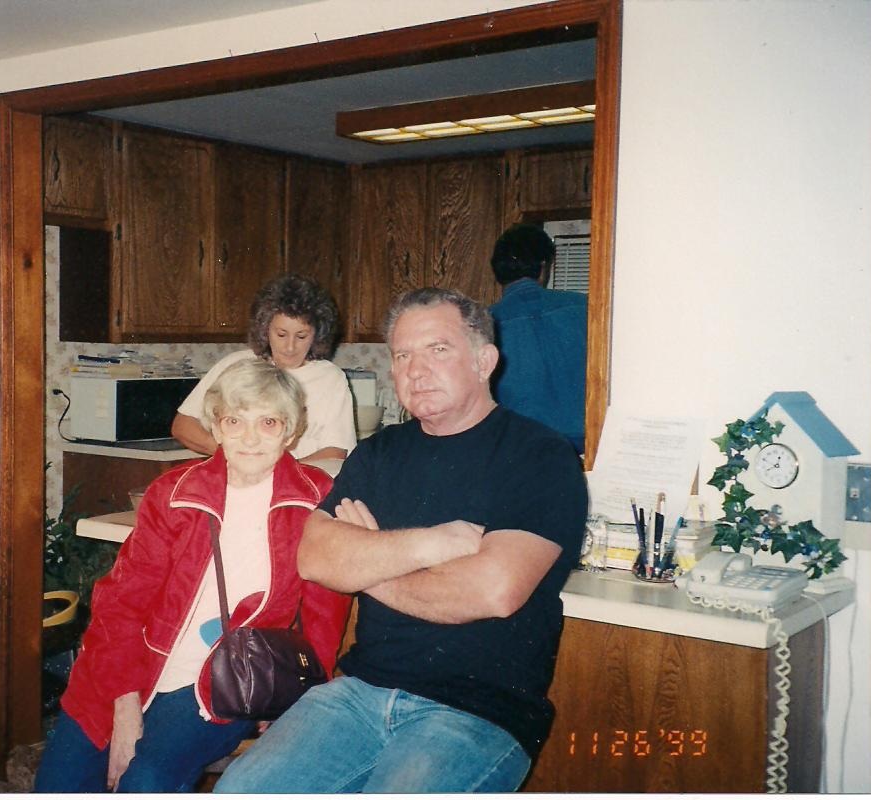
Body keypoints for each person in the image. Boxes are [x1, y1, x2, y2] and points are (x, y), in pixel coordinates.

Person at [215, 287, 588, 794]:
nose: (416, 370)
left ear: (484, 361)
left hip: (476, 713)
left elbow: (492, 591)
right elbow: (315, 556)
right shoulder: (378, 453)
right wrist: (430, 545)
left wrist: (367, 563)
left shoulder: (540, 456)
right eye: (402, 355)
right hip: (357, 694)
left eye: (438, 349)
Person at [34, 358, 351, 793]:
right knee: (59, 785)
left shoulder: (315, 499)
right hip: (129, 662)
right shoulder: (175, 493)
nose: (250, 438)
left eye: (268, 422)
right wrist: (124, 707)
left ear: (291, 431)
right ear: (216, 427)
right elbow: (120, 602)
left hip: (224, 679)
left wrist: (295, 699)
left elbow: (324, 618)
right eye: (235, 421)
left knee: (145, 779)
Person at [172, 274, 356, 462]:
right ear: (265, 329)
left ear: (317, 335)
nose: (290, 347)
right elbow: (183, 426)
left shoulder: (330, 378)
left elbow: (336, 452)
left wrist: (278, 472)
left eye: (301, 336)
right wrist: (237, 455)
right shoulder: (236, 365)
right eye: (281, 334)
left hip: (301, 478)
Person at [488, 223, 588, 454]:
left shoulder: (483, 323)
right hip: (588, 450)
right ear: (543, 267)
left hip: (520, 451)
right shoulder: (586, 308)